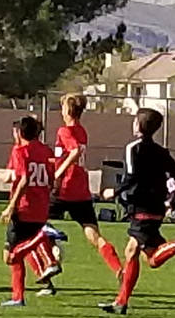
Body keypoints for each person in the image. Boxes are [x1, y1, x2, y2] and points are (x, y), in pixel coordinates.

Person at [98, 109, 175, 315]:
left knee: (147, 257)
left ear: (138, 125)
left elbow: (130, 177)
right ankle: (121, 303)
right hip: (156, 205)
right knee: (141, 254)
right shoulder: (161, 151)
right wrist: (173, 201)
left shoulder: (133, 148)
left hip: (141, 206)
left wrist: (114, 191)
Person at [51, 94, 124, 279]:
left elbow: (74, 152)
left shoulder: (64, 131)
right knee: (93, 233)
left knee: (34, 223)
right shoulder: (81, 130)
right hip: (81, 189)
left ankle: (53, 248)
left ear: (67, 110)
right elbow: (69, 154)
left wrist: (58, 174)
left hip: (65, 187)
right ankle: (117, 268)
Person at [0, 116, 60, 307]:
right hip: (40, 207)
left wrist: (11, 206)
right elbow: (52, 179)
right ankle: (19, 296)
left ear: (19, 132)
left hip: (24, 207)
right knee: (20, 250)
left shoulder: (21, 151)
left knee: (11, 256)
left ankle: (43, 239)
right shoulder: (45, 151)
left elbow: (24, 179)